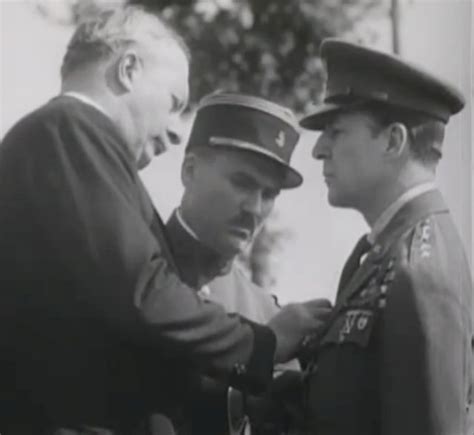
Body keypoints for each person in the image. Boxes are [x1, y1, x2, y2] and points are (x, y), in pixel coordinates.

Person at [0, 6, 332, 433]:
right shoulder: (70, 128)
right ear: (129, 69)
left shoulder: (68, 139)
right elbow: (142, 290)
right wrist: (262, 345)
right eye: (175, 102)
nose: (177, 130)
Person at [297, 38, 473, 435]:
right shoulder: (386, 256)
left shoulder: (418, 272)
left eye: (336, 132)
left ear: (393, 141)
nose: (319, 150)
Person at [164, 92, 303, 434]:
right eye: (242, 182)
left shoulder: (264, 313)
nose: (255, 208)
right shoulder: (133, 269)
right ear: (190, 170)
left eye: (269, 194)